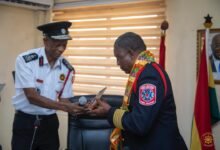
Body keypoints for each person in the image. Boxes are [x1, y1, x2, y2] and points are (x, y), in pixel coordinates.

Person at [88, 32, 187, 150]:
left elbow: (139, 124)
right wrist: (107, 106)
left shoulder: (149, 76)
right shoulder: (143, 71)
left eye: (119, 57)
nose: (117, 63)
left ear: (131, 53)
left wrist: (109, 111)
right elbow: (134, 107)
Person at [11, 21, 85, 150]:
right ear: (46, 41)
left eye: (64, 44)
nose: (61, 49)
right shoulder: (26, 60)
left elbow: (64, 100)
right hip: (26, 122)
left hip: (50, 123)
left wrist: (80, 107)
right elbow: (31, 96)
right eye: (57, 44)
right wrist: (65, 106)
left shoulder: (67, 68)